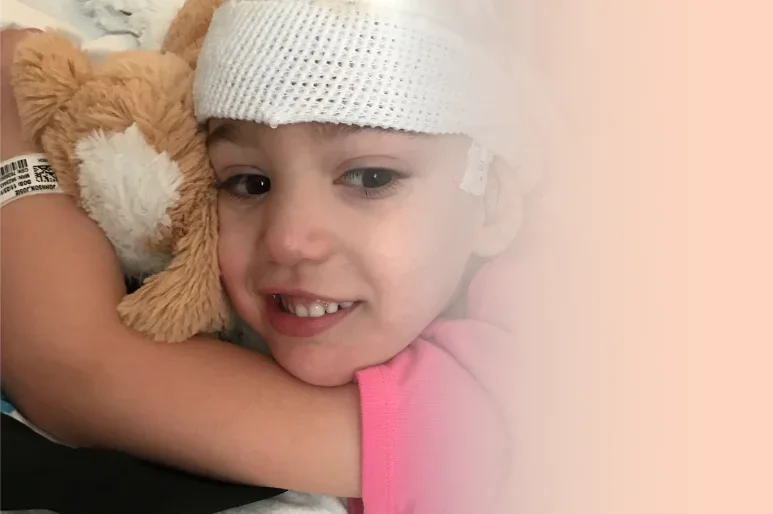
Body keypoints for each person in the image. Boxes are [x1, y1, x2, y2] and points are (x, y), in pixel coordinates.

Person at [2, 0, 534, 510]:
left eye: (371, 177)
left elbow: (74, 366)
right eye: (249, 183)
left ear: (493, 205)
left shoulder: (513, 404)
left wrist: (14, 139)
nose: (287, 238)